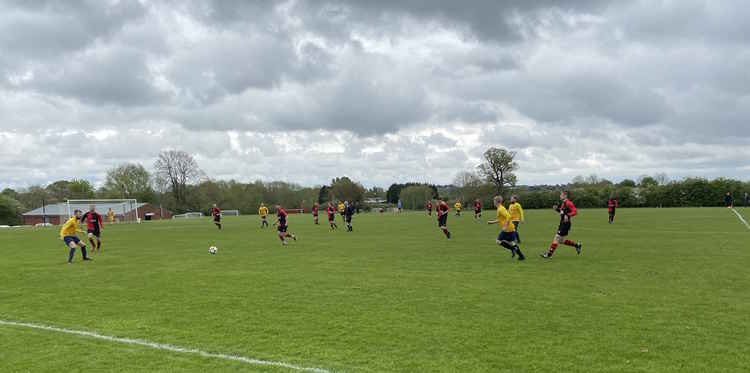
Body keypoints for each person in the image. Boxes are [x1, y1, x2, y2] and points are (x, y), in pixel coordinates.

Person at [541, 191, 582, 259]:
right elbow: (562, 212)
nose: (560, 196)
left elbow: (575, 211)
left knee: (557, 238)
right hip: (562, 223)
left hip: (565, 224)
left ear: (565, 196)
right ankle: (577, 245)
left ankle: (549, 254)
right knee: (561, 241)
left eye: (561, 195)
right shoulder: (563, 203)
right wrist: (556, 209)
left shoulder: (569, 203)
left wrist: (568, 215)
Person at [488, 195, 525, 261]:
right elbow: (502, 219)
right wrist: (492, 222)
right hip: (511, 228)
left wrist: (505, 226)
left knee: (498, 241)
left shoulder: (500, 209)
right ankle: (521, 256)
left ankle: (512, 249)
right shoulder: (501, 208)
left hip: (507, 229)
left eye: (494, 201)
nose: (493, 202)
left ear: (497, 202)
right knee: (512, 242)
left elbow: (508, 216)